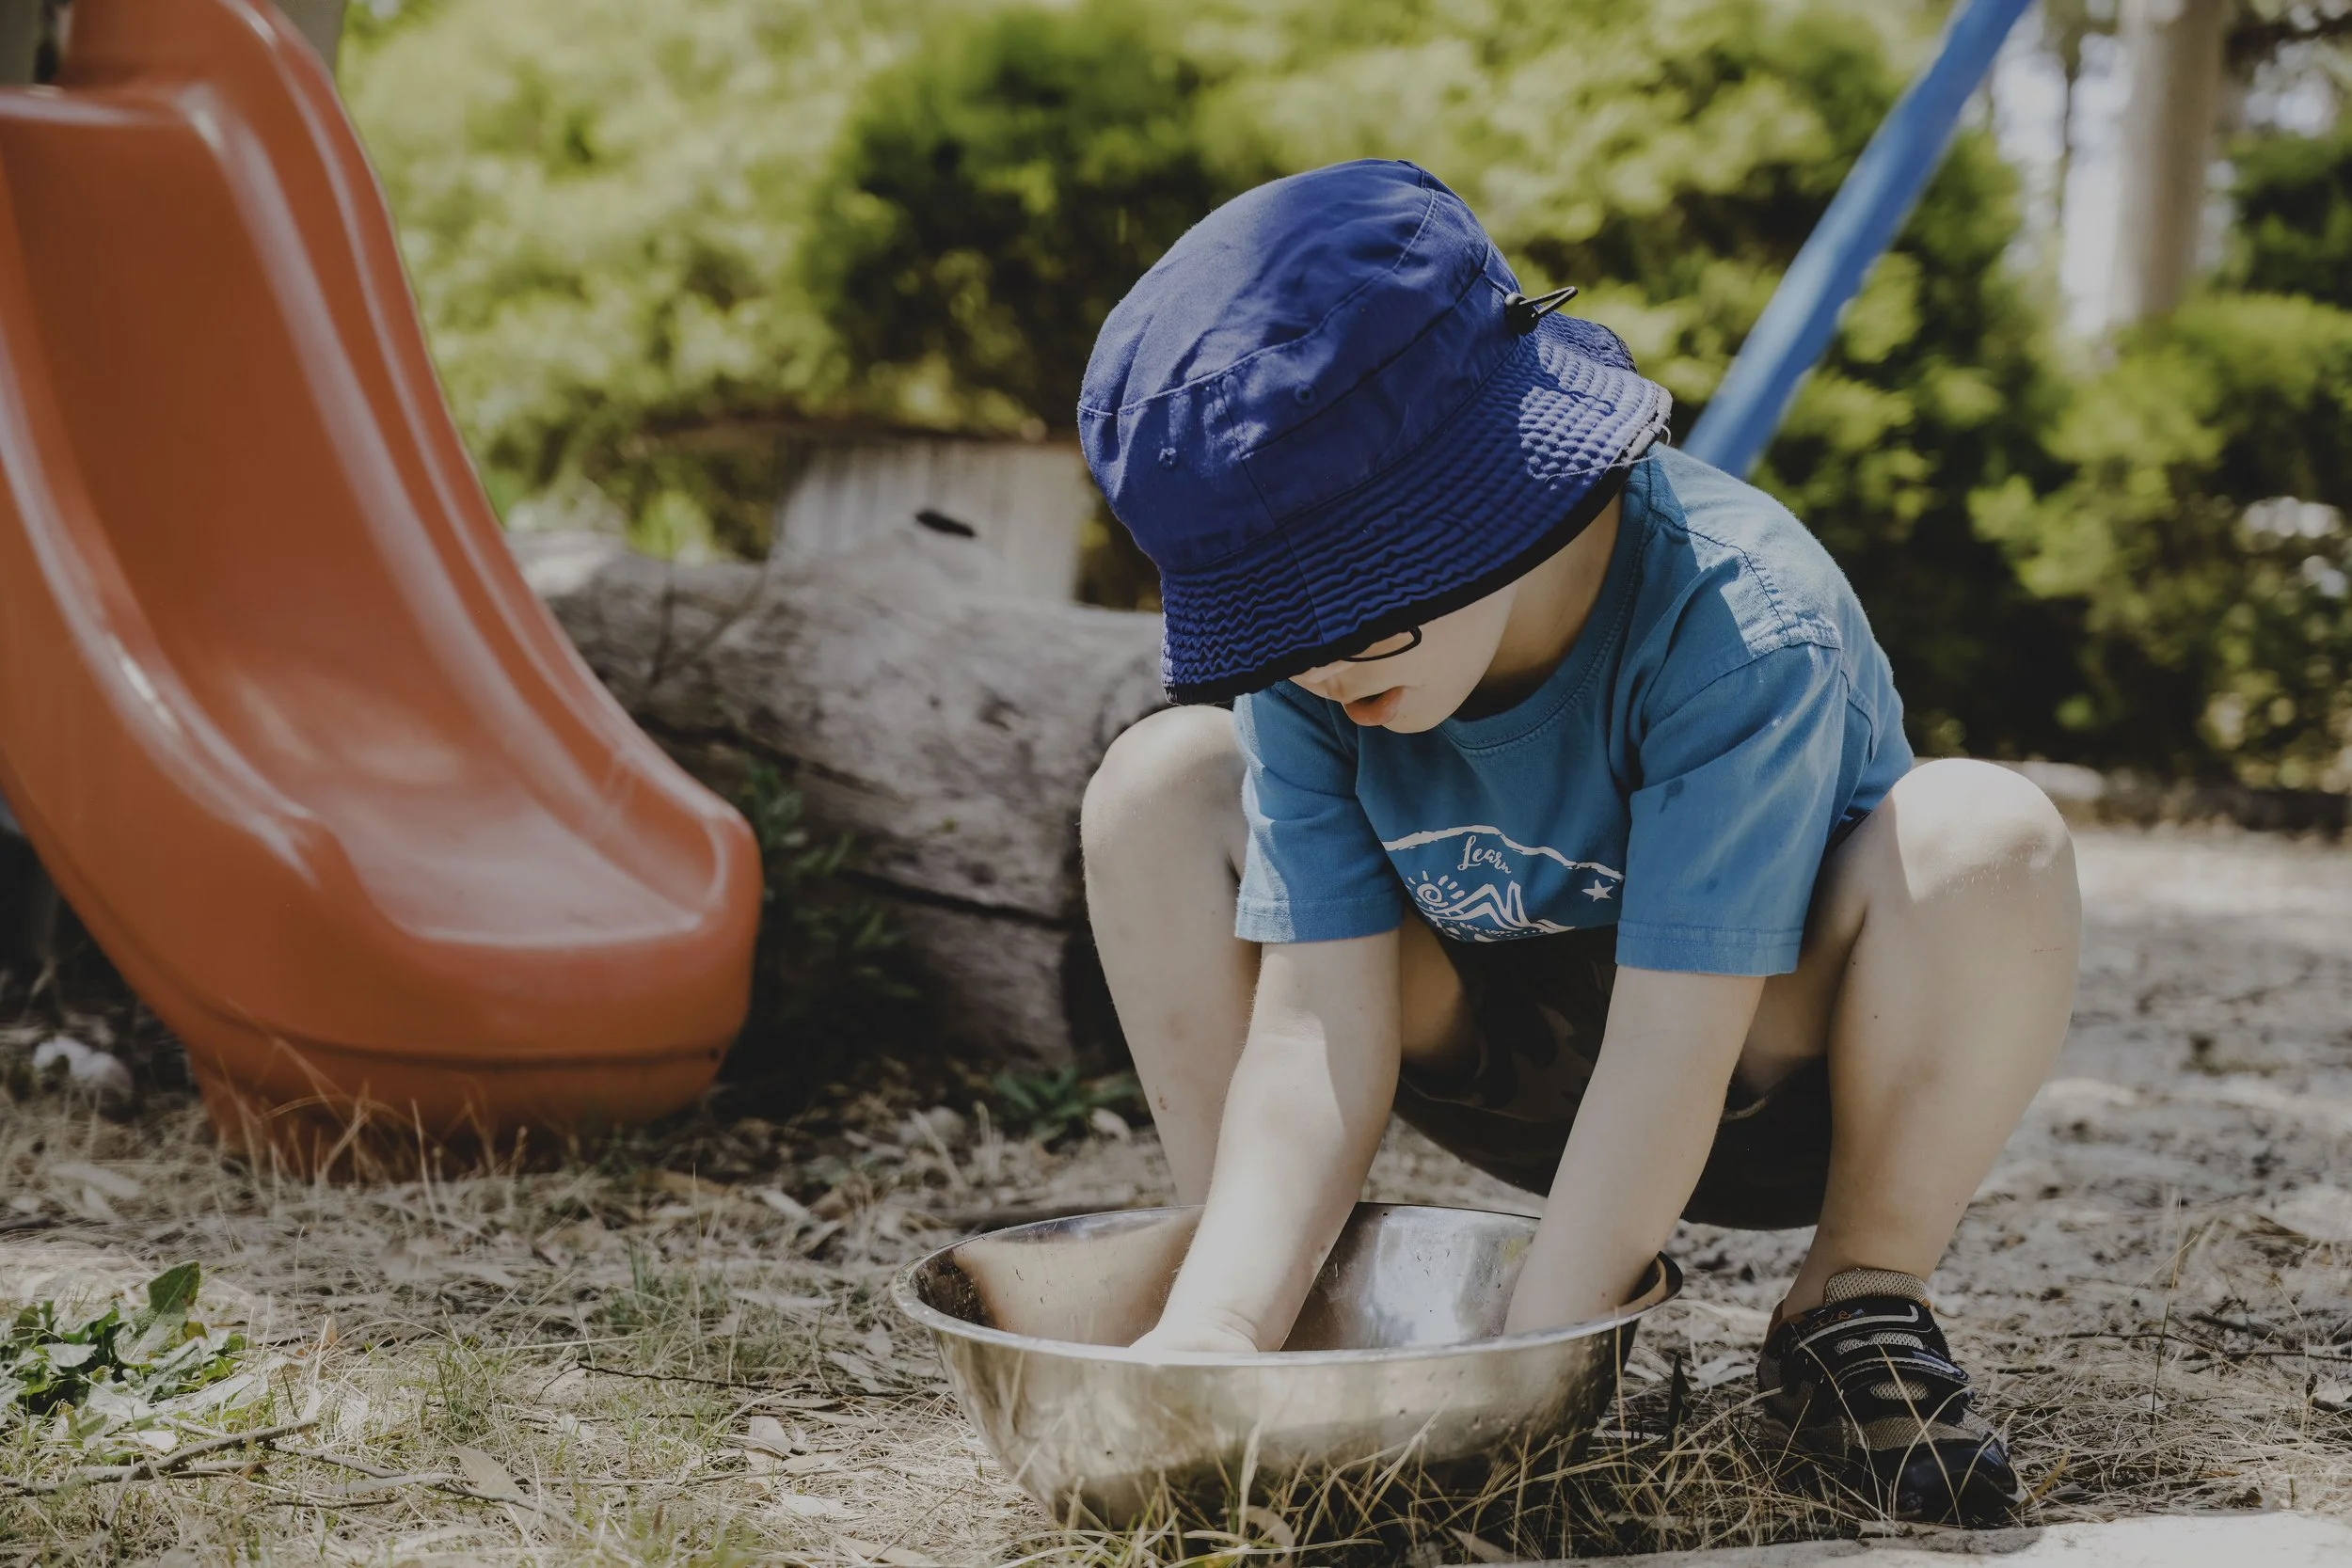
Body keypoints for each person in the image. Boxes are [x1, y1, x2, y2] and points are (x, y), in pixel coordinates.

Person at [1075, 160, 2081, 1527]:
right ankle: (1272, 1293)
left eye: (1353, 607)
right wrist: (1214, 1340)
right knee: (1155, 785)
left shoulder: (1736, 619)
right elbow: (1316, 1031)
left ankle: (1857, 1298)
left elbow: (1675, 1048)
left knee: (1989, 839)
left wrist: (1508, 1391)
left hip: (1757, 1063)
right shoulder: (1320, 669)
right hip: (1490, 1047)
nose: (1310, 665)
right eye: (1271, 626)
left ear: (1485, 496)